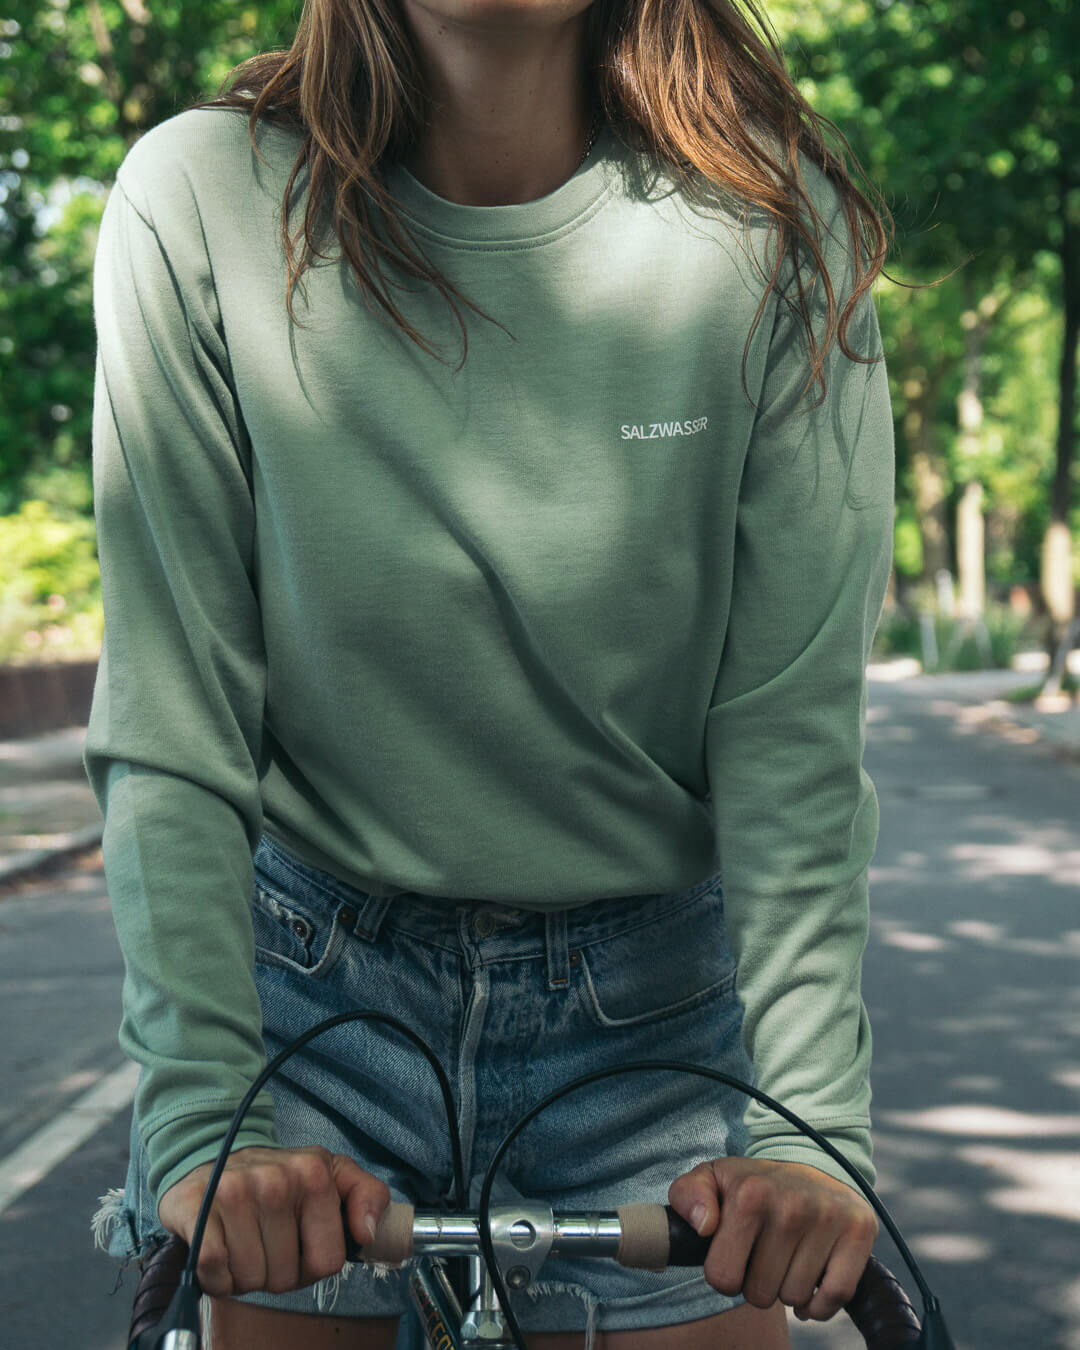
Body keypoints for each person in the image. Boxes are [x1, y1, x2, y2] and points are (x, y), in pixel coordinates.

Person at [86, 1, 903, 1346]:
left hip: (654, 1008)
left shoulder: (776, 234)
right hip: (306, 991)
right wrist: (201, 1110)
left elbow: (792, 743)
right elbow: (175, 712)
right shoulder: (199, 198)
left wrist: (814, 1132)